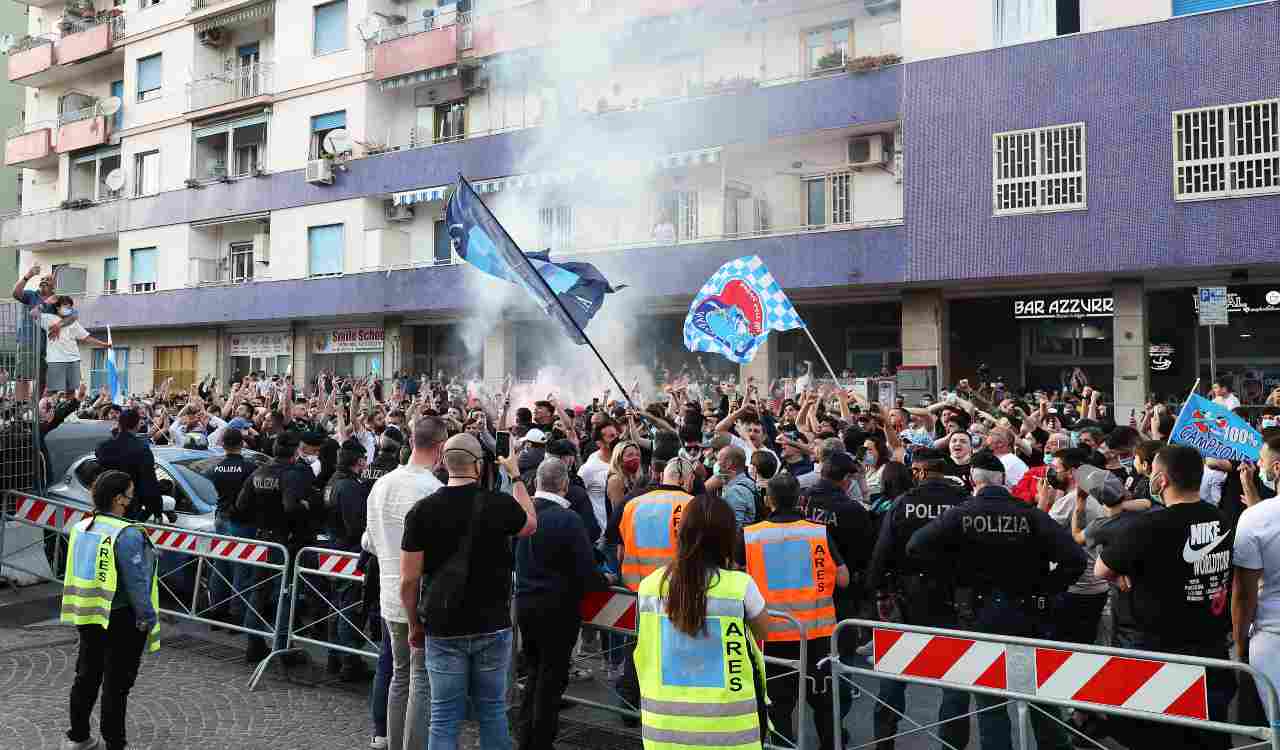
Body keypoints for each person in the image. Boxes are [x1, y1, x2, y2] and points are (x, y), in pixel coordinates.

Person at [908, 450, 1085, 750]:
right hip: (1028, 613)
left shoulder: (961, 514)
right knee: (1039, 695)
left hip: (978, 614)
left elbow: (915, 547)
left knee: (990, 702)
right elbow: (1075, 560)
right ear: (1002, 481)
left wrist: (952, 574)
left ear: (972, 481)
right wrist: (1045, 586)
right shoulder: (1030, 514)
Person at [399, 433, 537, 750]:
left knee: (444, 716)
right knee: (492, 713)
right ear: (478, 464)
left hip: (442, 624)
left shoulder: (422, 511)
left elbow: (409, 580)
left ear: (444, 463)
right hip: (492, 624)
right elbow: (530, 523)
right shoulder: (498, 504)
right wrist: (515, 475)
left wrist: (413, 624)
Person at [1097, 445, 1237, 750]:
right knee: (1210, 733)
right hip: (1211, 647)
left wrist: (1123, 572)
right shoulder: (1222, 519)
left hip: (1161, 653)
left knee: (1161, 737)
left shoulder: (1150, 525)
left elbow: (1101, 568)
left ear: (1160, 480)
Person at [633, 494, 770, 750]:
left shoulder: (649, 585)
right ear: (727, 538)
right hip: (730, 730)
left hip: (664, 729)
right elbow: (766, 631)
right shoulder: (739, 586)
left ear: (681, 532)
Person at [866, 448, 971, 750]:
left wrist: (877, 593)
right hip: (954, 600)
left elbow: (881, 553)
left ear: (922, 472)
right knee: (954, 681)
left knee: (893, 676)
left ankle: (884, 743)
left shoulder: (903, 503)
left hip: (907, 599)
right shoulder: (961, 502)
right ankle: (952, 745)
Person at [742, 473, 850, 750]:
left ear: (768, 500)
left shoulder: (750, 535)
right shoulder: (818, 532)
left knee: (778, 705)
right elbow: (843, 579)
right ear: (801, 499)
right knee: (825, 703)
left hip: (772, 636)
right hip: (817, 634)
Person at [514, 458, 611, 750]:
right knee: (552, 679)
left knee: (533, 674)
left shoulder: (521, 513)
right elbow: (585, 569)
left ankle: (526, 737)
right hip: (558, 609)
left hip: (526, 603)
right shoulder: (568, 519)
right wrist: (603, 580)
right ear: (565, 485)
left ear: (536, 482)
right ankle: (541, 741)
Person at [60, 470, 159, 750]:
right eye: (129, 494)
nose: (132, 499)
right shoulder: (126, 534)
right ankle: (115, 743)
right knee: (117, 685)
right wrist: (147, 617)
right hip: (122, 617)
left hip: (89, 612)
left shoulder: (83, 526)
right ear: (118, 499)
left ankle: (79, 737)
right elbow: (137, 581)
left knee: (86, 676)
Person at [366, 417, 445, 750]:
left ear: (412, 441)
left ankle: (392, 742)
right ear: (441, 448)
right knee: (419, 680)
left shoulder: (381, 484)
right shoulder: (433, 491)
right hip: (419, 597)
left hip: (389, 595)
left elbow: (368, 540)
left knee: (400, 676)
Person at [234, 432, 313, 661]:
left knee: (258, 590)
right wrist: (305, 506)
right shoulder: (290, 474)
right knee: (284, 592)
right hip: (283, 540)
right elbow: (290, 506)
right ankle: (282, 647)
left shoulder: (259, 472)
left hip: (262, 538)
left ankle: (254, 643)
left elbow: (241, 504)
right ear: (295, 451)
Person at [799, 451, 874, 656]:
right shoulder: (853, 510)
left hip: (801, 581)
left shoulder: (801, 499)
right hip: (839, 585)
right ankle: (843, 687)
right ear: (846, 479)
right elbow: (865, 552)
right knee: (841, 648)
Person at [322, 444, 372, 680]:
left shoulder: (334, 481)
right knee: (348, 607)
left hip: (335, 547)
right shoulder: (350, 486)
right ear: (358, 462)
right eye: (364, 460)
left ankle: (336, 656)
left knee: (337, 605)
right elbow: (356, 526)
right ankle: (348, 662)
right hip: (347, 551)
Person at [203, 428, 256, 624]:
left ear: (223, 445)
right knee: (241, 568)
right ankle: (236, 614)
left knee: (221, 564)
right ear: (242, 444)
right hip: (242, 521)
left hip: (221, 517)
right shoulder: (250, 468)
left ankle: (217, 608)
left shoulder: (214, 469)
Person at [94, 409, 162, 521]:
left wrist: (117, 434)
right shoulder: (142, 450)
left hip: (104, 503)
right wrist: (157, 510)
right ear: (137, 426)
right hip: (129, 507)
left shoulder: (103, 447)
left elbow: (107, 451)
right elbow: (149, 483)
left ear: (118, 424)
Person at [38, 296, 106, 397]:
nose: (67, 309)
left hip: (73, 360)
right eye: (65, 306)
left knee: (71, 390)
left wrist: (104, 344)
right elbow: (33, 314)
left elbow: (86, 338)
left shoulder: (73, 323)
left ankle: (68, 411)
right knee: (51, 390)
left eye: (69, 307)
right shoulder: (49, 319)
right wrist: (45, 303)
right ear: (58, 307)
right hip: (56, 360)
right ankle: (41, 410)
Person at [580, 420, 619, 543]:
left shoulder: (622, 460)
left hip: (624, 532)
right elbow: (578, 497)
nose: (617, 439)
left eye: (617, 435)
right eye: (611, 437)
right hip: (603, 538)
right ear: (599, 443)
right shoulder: (589, 468)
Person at [716, 444, 757, 528]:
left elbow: (734, 528)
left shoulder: (735, 492)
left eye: (719, 460)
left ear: (729, 464)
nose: (717, 464)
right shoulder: (749, 483)